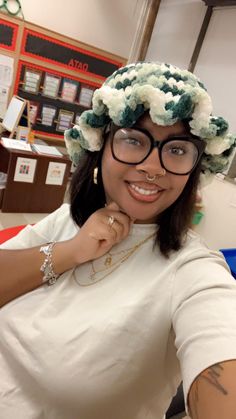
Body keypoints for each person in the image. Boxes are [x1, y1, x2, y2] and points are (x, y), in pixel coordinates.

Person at [0, 61, 236, 419]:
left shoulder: (194, 270)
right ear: (101, 145)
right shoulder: (69, 219)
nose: (153, 167)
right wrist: (71, 251)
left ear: (195, 167)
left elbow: (219, 342)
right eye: (133, 140)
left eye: (177, 149)